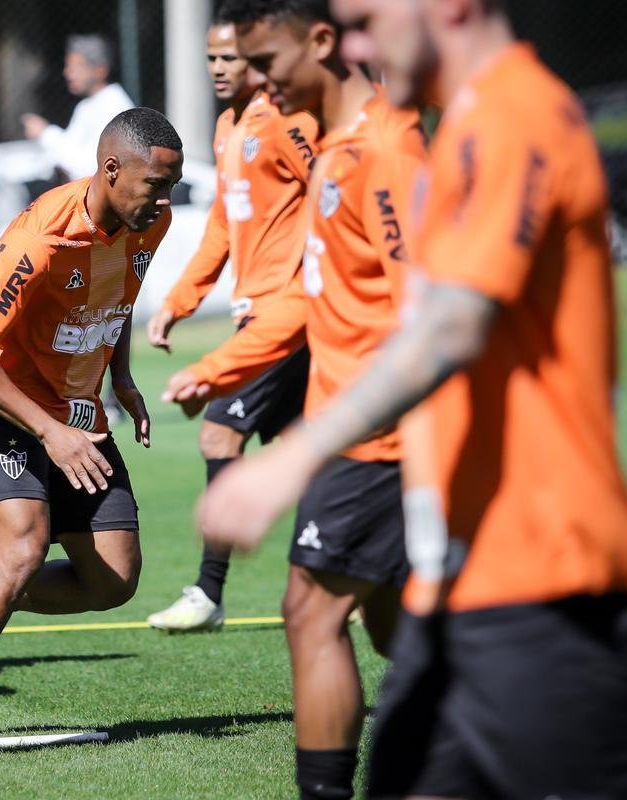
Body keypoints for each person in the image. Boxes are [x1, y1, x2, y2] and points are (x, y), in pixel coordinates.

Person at [201, 0, 627, 796]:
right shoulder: (460, 131)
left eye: (363, 18)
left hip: (551, 587)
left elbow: (451, 326)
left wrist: (296, 456)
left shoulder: (513, 120)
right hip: (469, 584)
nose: (348, 45)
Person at [181, 1, 425, 795]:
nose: (254, 81)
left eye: (264, 62)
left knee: (310, 611)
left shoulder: (386, 148)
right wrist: (221, 365)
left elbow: (425, 313)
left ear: (322, 42)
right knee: (395, 626)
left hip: (381, 435)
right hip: (345, 425)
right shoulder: (336, 150)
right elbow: (313, 301)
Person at [0, 108, 183, 763]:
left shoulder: (150, 220)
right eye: (155, 185)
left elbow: (119, 300)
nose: (164, 200)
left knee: (114, 580)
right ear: (111, 171)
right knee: (21, 555)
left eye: (171, 186)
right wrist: (51, 431)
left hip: (79, 416)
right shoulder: (40, 236)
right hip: (2, 409)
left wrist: (124, 378)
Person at [145, 12, 317, 633]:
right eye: (211, 58)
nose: (219, 68)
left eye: (231, 58)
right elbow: (224, 223)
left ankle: (209, 593)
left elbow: (331, 190)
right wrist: (180, 299)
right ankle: (353, 567)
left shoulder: (287, 121)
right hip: (259, 313)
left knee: (219, 435)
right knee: (309, 448)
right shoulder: (227, 127)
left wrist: (314, 281)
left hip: (287, 314)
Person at [23, 35, 135, 182]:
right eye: (68, 67)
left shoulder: (113, 107)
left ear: (100, 70)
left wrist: (45, 133)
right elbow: (67, 153)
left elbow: (86, 170)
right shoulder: (85, 107)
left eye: (76, 67)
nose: (68, 73)